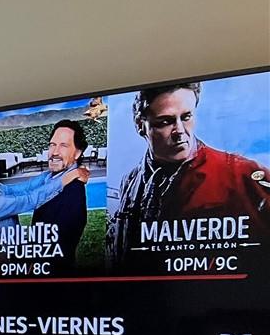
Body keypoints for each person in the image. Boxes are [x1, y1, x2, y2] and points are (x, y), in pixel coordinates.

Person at [108, 81, 270, 268]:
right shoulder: (130, 181)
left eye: (186, 117)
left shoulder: (243, 174)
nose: (180, 131)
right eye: (166, 122)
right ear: (140, 125)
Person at [0, 144, 89, 267]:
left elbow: (27, 187)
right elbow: (30, 200)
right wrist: (68, 177)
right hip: (6, 264)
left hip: (16, 257)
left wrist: (58, 170)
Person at [31, 121, 90, 275]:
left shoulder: (72, 191)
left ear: (77, 153)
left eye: (63, 145)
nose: (55, 152)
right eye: (52, 145)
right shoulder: (50, 182)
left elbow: (56, 251)